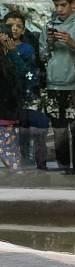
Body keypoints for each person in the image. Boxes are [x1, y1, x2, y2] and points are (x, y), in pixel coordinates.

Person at [44, 0, 75, 174]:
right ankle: (64, 168)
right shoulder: (49, 25)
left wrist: (73, 44)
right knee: (59, 132)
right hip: (53, 84)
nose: (60, 9)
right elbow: (42, 56)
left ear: (73, 4)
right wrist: (48, 44)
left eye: (63, 5)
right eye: (56, 5)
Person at [4, 11, 45, 170]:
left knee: (27, 134)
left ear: (23, 30)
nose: (13, 29)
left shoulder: (27, 50)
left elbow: (30, 76)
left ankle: (32, 166)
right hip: (5, 100)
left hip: (22, 99)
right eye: (9, 26)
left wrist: (14, 54)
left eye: (18, 26)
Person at [0, 31, 21, 172]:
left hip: (6, 111)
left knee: (11, 156)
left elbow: (25, 77)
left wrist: (13, 53)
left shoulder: (10, 57)